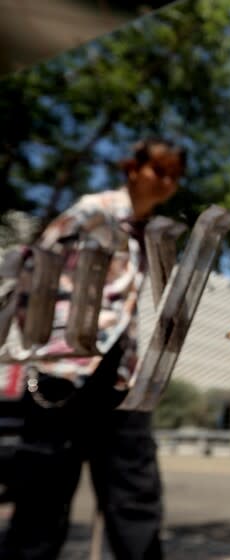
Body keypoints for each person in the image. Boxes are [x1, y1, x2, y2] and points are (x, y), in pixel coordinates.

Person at [1, 138, 185, 559]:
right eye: (160, 170)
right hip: (65, 367)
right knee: (42, 494)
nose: (167, 182)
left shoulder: (150, 234)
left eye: (175, 176)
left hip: (120, 377)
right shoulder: (94, 209)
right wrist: (41, 342)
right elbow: (34, 267)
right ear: (134, 168)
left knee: (135, 491)